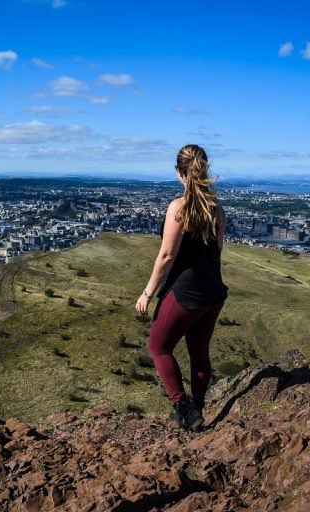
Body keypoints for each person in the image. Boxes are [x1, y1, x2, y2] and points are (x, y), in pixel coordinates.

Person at [135, 144, 227, 431]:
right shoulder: (216, 208)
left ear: (179, 172)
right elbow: (217, 250)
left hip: (187, 292)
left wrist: (148, 293)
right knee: (199, 352)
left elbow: (166, 255)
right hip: (213, 292)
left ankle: (184, 409)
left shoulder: (179, 207)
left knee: (159, 348)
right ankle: (196, 408)